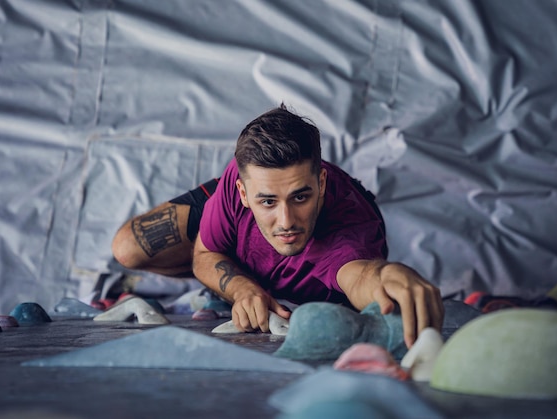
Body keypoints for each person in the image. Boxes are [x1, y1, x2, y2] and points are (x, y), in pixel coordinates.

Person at [112, 104, 443, 348]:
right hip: (240, 227)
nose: (287, 222)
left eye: (301, 197)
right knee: (126, 248)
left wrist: (388, 277)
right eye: (268, 201)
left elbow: (362, 275)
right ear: (242, 191)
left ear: (322, 183)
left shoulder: (349, 231)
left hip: (341, 247)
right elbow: (205, 252)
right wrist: (243, 289)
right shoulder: (234, 185)